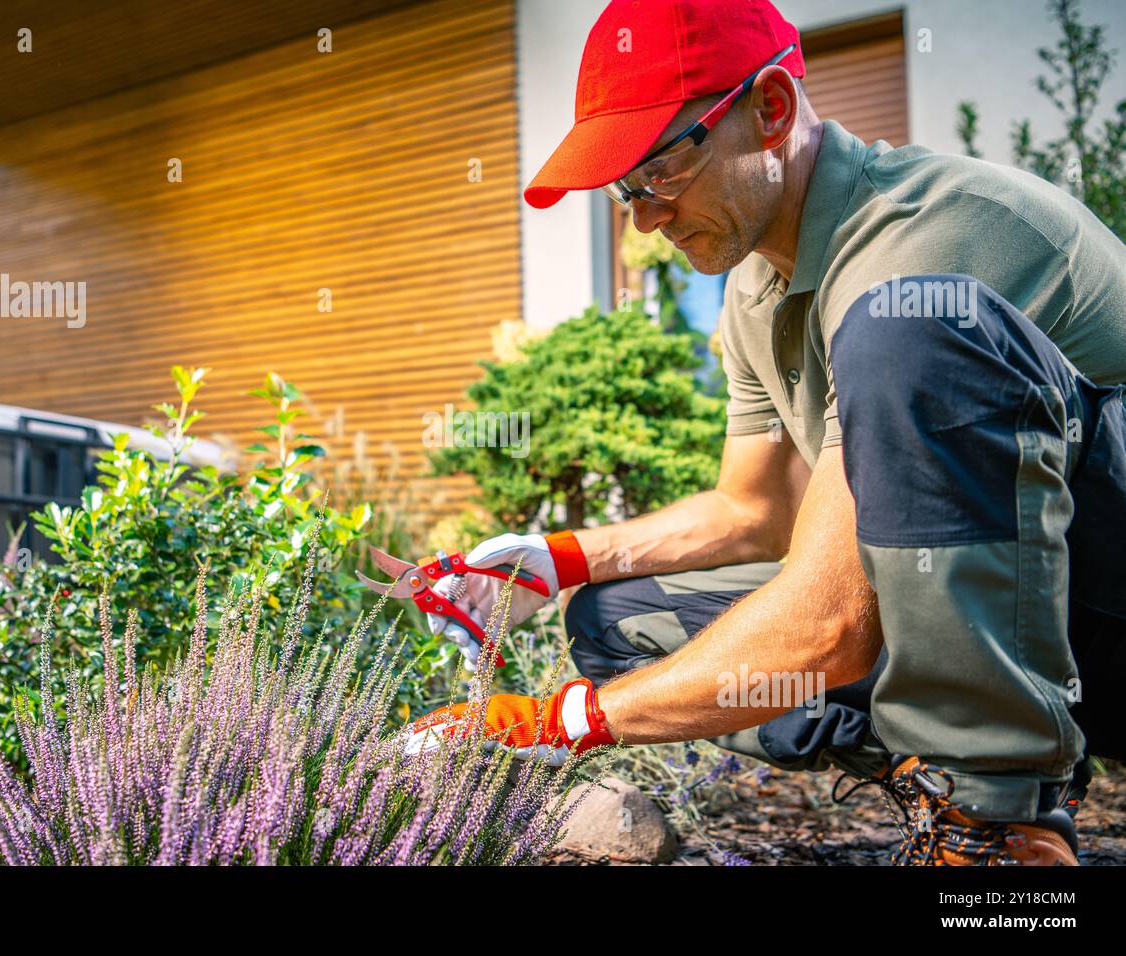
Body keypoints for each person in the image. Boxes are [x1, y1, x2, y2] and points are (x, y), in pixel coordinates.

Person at [407, 0, 1126, 866]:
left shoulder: (928, 238)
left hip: (1104, 600)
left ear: (773, 108)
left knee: (902, 327)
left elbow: (829, 623)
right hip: (1013, 609)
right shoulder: (756, 289)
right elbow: (753, 512)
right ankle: (933, 763)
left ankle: (999, 820)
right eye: (625, 189)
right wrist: (548, 559)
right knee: (617, 620)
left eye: (660, 169)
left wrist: (560, 723)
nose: (645, 218)